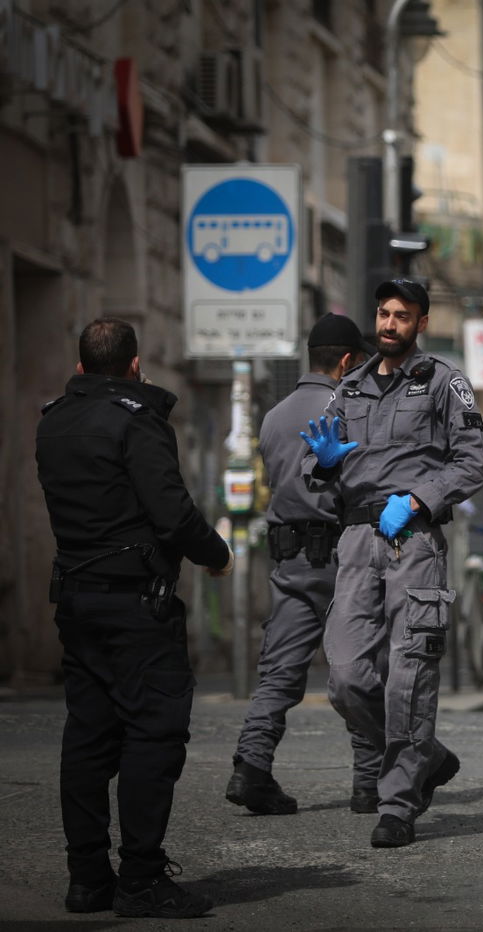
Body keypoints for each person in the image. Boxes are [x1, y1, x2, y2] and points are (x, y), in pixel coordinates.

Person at [35, 317, 232, 919]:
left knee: (88, 737)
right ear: (134, 364)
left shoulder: (53, 420)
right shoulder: (136, 419)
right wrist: (217, 554)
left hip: (77, 601)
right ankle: (142, 878)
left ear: (79, 368)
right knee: (153, 734)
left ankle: (88, 879)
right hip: (136, 606)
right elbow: (172, 514)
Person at [301, 279, 483, 848]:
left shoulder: (445, 382)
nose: (388, 324)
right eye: (383, 313)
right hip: (358, 540)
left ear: (420, 323)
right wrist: (324, 464)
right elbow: (314, 469)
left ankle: (398, 805)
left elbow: (472, 462)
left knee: (409, 673)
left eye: (401, 316)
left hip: (413, 538)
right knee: (346, 677)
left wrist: (419, 499)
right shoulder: (350, 388)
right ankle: (425, 755)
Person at [226, 313, 382, 816]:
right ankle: (369, 782)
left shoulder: (273, 417)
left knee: (279, 672)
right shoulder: (352, 410)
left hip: (290, 561)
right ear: (347, 361)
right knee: (358, 666)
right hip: (345, 559)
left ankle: (251, 767)